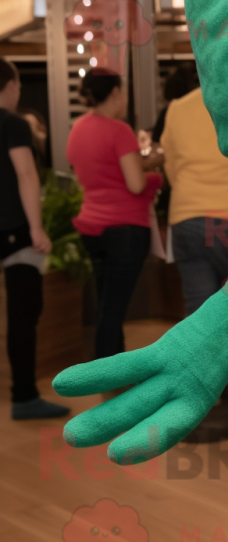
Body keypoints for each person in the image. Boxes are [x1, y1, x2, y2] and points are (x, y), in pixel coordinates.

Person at [160, 85, 228, 441]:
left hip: (186, 217)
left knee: (199, 316)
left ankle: (198, 402)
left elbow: (169, 164)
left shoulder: (177, 108)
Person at [66, 69, 162, 360]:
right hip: (125, 229)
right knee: (113, 309)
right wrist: (155, 175)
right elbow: (135, 184)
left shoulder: (78, 128)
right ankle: (106, 374)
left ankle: (113, 367)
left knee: (107, 303)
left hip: (91, 227)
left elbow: (98, 174)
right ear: (117, 92)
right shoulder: (119, 130)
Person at [0, 58, 68, 419]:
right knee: (24, 314)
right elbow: (27, 175)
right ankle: (24, 396)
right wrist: (36, 229)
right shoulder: (12, 124)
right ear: (9, 85)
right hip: (15, 232)